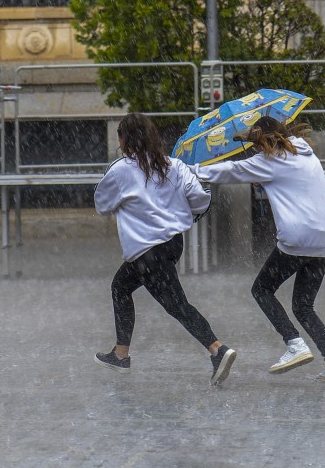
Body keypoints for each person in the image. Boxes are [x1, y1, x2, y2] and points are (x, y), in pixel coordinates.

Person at [198, 115, 325, 383]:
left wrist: (186, 170)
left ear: (262, 141)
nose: (257, 150)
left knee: (262, 289)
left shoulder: (270, 161)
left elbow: (227, 172)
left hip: (298, 237)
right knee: (303, 306)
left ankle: (294, 344)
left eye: (256, 145)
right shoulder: (307, 156)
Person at [93, 112, 237, 385]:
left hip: (148, 250)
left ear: (124, 140)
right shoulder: (175, 165)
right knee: (121, 286)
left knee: (176, 305)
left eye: (120, 136)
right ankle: (120, 354)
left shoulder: (121, 169)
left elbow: (102, 205)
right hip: (171, 245)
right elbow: (199, 200)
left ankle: (218, 349)